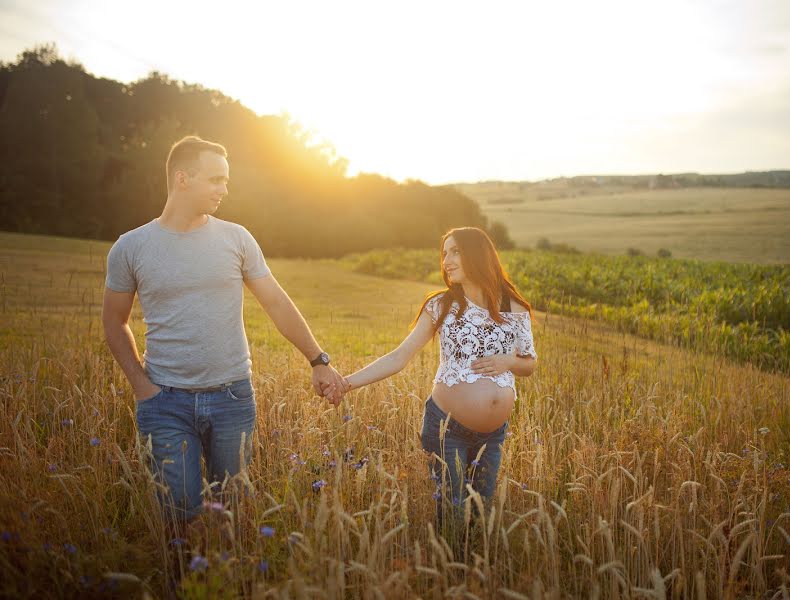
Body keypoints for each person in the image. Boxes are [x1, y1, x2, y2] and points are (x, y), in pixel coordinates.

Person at [102, 135, 347, 527]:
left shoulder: (236, 238)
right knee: (180, 517)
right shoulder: (131, 247)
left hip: (232, 397)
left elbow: (277, 303)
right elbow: (114, 322)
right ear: (183, 179)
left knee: (230, 516)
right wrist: (141, 388)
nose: (225, 189)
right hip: (164, 401)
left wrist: (318, 360)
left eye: (226, 180)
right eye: (216, 179)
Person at [334, 226, 537, 546]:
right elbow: (400, 357)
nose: (447, 260)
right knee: (453, 514)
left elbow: (529, 364)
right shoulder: (441, 306)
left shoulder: (515, 308)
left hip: (494, 435)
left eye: (455, 252)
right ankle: (450, 577)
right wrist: (346, 384)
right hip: (447, 429)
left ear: (478, 254)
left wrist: (507, 362)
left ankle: (476, 576)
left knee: (482, 513)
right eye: (444, 253)